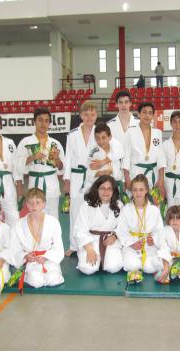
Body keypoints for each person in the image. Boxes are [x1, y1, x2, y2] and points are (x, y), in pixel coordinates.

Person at [7, 188, 64, 289]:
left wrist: (46, 257)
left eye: (38, 202)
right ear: (26, 204)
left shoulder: (53, 222)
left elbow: (58, 246)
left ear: (44, 204)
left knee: (53, 280)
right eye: (30, 203)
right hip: (30, 261)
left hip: (48, 259)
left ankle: (46, 274)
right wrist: (25, 256)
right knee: (36, 281)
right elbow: (14, 248)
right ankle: (29, 275)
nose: (34, 206)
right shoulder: (19, 224)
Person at [15, 107, 65, 218]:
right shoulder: (26, 142)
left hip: (52, 184)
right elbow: (18, 166)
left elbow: (62, 168)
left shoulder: (55, 143)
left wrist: (57, 159)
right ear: (34, 121)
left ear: (49, 123)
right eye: (40, 120)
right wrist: (33, 157)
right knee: (35, 218)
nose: (43, 124)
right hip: (34, 184)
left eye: (46, 121)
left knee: (53, 218)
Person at [63, 101, 98, 256]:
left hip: (94, 177)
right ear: (81, 115)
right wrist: (66, 180)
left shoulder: (100, 133)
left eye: (92, 113)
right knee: (75, 211)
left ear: (96, 115)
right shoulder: (72, 135)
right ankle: (74, 244)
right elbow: (68, 158)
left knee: (93, 210)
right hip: (77, 177)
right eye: (86, 114)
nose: (89, 117)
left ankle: (92, 243)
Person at [74, 175, 124, 275]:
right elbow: (79, 229)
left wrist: (115, 236)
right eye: (102, 188)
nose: (106, 192)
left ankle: (105, 260)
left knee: (114, 268)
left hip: (110, 241)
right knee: (88, 269)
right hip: (91, 241)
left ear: (113, 191)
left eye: (109, 189)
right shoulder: (87, 205)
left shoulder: (118, 205)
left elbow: (122, 227)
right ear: (97, 189)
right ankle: (96, 259)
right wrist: (89, 249)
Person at [117, 174, 163, 276]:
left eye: (141, 189)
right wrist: (132, 244)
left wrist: (153, 240)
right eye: (135, 190)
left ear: (147, 190)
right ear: (131, 191)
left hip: (149, 245)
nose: (138, 193)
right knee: (132, 266)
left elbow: (159, 230)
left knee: (150, 268)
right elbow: (121, 232)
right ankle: (135, 263)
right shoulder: (125, 210)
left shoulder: (154, 210)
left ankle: (146, 264)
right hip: (131, 244)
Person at [123, 102, 166, 196]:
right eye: (144, 112)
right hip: (136, 173)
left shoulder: (157, 132)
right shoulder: (130, 132)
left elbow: (161, 157)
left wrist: (161, 179)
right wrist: (127, 179)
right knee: (136, 204)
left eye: (150, 113)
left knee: (153, 205)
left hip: (153, 173)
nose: (147, 115)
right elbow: (126, 157)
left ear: (153, 115)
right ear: (138, 114)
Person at [85, 123, 123, 191]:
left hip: (116, 186)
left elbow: (121, 168)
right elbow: (88, 175)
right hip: (100, 188)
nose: (101, 141)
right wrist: (101, 173)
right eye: (97, 138)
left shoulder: (116, 150)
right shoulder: (93, 153)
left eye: (103, 138)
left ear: (110, 137)